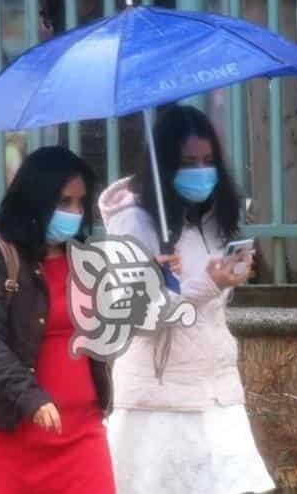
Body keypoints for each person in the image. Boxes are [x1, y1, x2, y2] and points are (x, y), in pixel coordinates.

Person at [99, 104, 276, 494]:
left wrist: (229, 276)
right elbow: (136, 315)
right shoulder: (133, 222)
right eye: (188, 161)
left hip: (217, 390)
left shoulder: (212, 217)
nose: (200, 171)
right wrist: (205, 286)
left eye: (208, 160)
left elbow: (209, 303)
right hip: (161, 400)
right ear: (164, 164)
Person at [0, 146, 115, 494]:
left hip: (83, 432)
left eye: (80, 203)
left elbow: (114, 326)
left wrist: (159, 275)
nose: (75, 213)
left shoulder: (86, 259)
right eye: (64, 202)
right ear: (36, 199)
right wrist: (32, 398)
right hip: (12, 433)